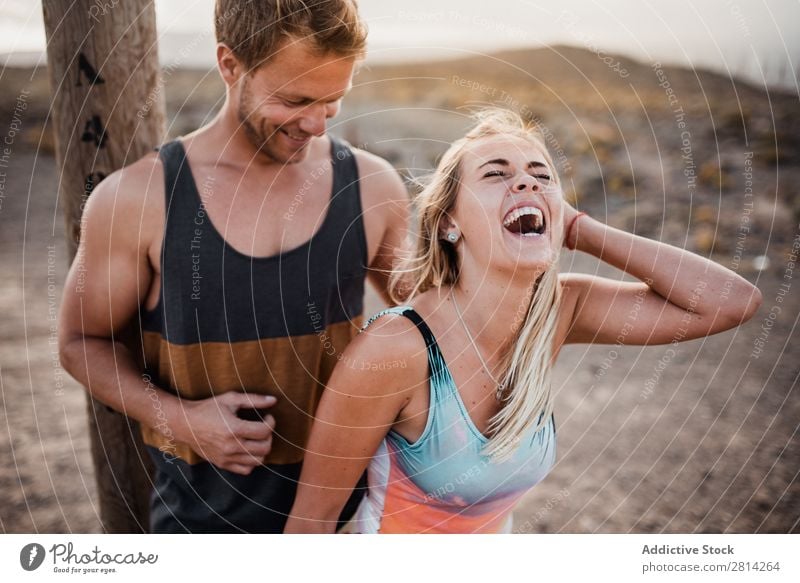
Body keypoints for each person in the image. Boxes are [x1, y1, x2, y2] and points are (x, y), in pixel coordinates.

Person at [284, 108, 762, 534]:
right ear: (449, 222)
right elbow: (312, 523)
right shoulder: (396, 348)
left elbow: (730, 302)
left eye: (541, 176)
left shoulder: (559, 310)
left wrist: (575, 228)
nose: (527, 182)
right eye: (496, 174)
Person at [58, 0, 408, 533]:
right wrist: (183, 421)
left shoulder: (372, 187)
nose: (315, 124)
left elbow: (435, 319)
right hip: (199, 529)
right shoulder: (136, 198)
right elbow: (81, 342)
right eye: (295, 99)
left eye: (333, 103)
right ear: (229, 64)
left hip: (350, 528)